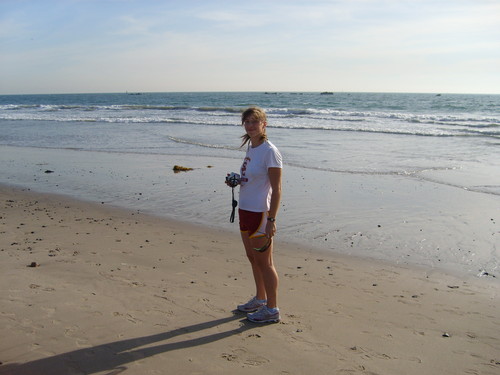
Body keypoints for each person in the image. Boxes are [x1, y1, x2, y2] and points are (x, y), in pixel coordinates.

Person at [228, 107, 282, 323]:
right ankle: (260, 299)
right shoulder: (252, 148)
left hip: (261, 213)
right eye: (247, 122)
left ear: (264, 124)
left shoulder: (270, 151)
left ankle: (272, 308)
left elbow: (277, 189)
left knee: (265, 263)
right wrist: (237, 180)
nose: (250, 126)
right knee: (253, 259)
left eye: (254, 122)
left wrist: (271, 220)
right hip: (245, 210)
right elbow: (253, 178)